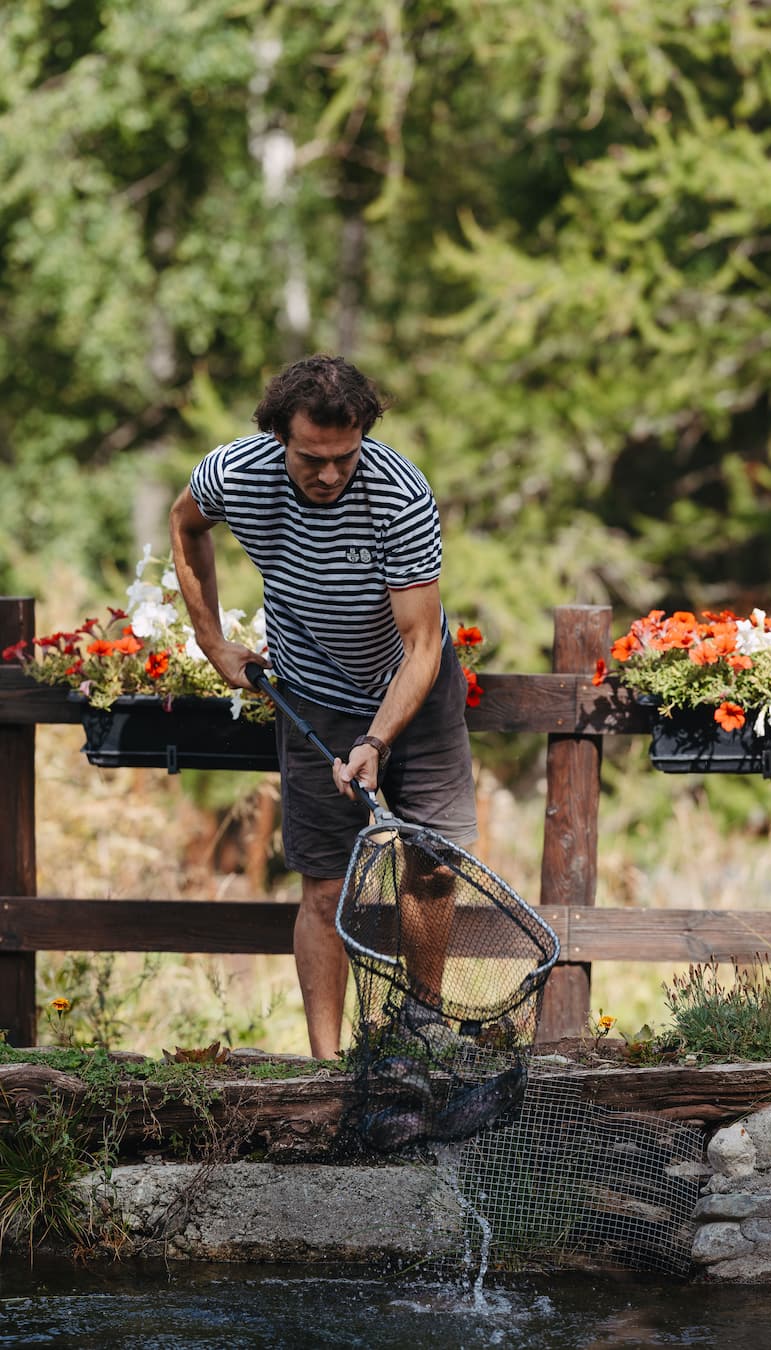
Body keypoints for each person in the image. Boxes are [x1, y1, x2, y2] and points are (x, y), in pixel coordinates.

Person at [169, 355, 478, 1059]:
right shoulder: (234, 474)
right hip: (312, 689)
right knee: (324, 883)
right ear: (280, 436)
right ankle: (326, 1067)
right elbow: (185, 528)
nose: (331, 474)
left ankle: (421, 1029)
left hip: (412, 689)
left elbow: (422, 646)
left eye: (346, 456)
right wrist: (213, 642)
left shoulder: (400, 495)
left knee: (431, 860)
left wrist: (375, 741)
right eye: (313, 458)